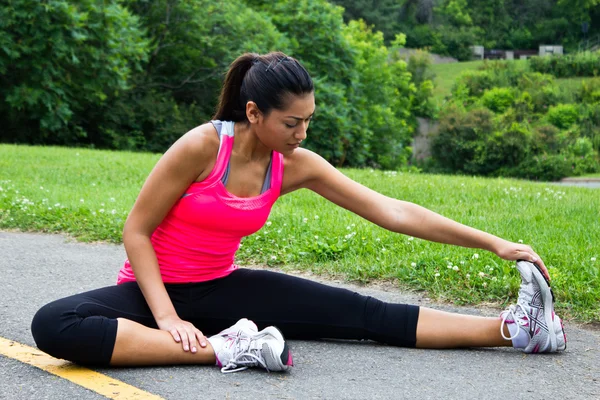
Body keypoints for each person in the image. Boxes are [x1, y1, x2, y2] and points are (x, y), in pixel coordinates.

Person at [31, 52, 566, 374]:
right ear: (253, 112)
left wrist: (494, 242)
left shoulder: (293, 164)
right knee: (55, 324)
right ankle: (230, 349)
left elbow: (392, 211)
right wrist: (169, 319)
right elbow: (136, 231)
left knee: (364, 315)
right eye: (292, 122)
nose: (303, 133)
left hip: (224, 288)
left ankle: (519, 330)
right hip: (152, 294)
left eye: (308, 120)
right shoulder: (200, 148)